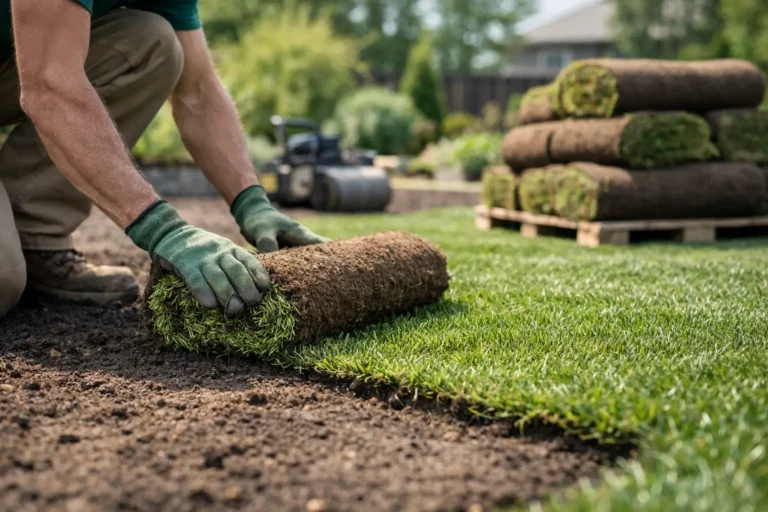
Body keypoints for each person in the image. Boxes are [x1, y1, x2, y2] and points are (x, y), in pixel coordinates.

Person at [0, 0, 328, 318]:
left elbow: (198, 92)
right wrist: (163, 230)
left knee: (154, 42)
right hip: (38, 73)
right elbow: (49, 85)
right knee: (2, 280)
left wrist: (252, 202)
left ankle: (36, 240)